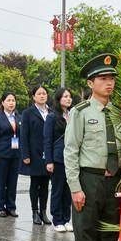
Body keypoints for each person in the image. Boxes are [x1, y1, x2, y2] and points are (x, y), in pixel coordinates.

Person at [64, 53, 121, 241]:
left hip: (114, 182)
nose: (109, 83)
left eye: (111, 78)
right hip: (89, 181)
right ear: (91, 83)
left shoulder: (120, 113)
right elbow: (70, 151)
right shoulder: (80, 113)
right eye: (103, 78)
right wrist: (75, 187)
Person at [20, 85, 52, 225]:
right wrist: (25, 154)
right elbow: (24, 135)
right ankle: (34, 212)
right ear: (34, 96)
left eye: (44, 93)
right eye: (39, 94)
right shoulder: (28, 113)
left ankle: (44, 212)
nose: (42, 96)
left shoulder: (51, 112)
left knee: (45, 184)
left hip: (48, 153)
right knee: (35, 183)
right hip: (34, 153)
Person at [44, 87, 73, 232]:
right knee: (57, 189)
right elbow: (47, 140)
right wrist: (49, 161)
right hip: (57, 158)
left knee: (68, 190)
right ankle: (57, 219)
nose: (68, 99)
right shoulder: (52, 116)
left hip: (71, 158)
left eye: (69, 96)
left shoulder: (73, 115)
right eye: (65, 96)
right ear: (58, 99)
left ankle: (67, 218)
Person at [0, 92, 21, 218]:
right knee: (1, 182)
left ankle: (11, 206)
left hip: (15, 154)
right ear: (2, 103)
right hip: (2, 154)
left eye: (13, 100)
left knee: (13, 182)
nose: (11, 103)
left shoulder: (19, 118)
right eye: (8, 100)